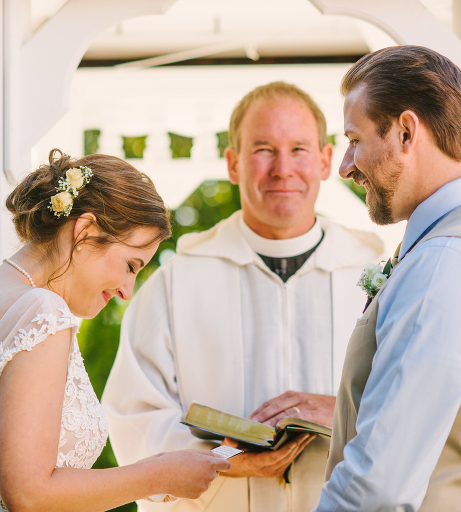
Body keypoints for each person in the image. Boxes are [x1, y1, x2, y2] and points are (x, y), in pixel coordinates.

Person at [102, 82, 383, 512]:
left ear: (326, 162)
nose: (282, 168)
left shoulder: (379, 274)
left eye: (300, 150)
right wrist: (224, 461)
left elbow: (429, 404)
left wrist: (350, 414)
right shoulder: (175, 284)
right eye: (263, 149)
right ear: (233, 163)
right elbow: (133, 417)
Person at [316, 46, 461, 512]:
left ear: (406, 131)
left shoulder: (449, 263)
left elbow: (375, 488)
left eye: (355, 139)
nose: (346, 165)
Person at [0, 150, 230, 512]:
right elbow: (29, 494)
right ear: (85, 231)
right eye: (130, 265)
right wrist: (156, 475)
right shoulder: (42, 313)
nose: (128, 292)